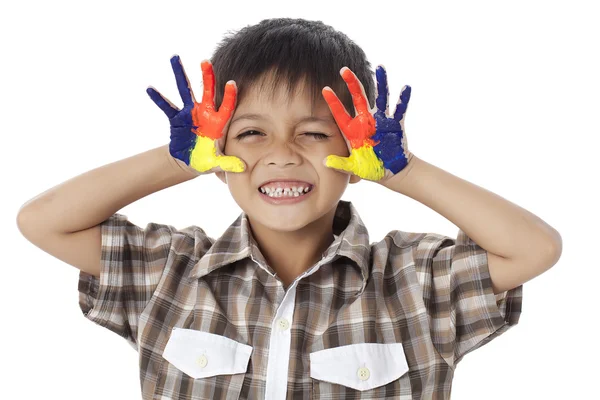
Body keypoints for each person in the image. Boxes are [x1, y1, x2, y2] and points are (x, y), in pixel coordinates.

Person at [16, 18, 561, 400]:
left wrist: (405, 170)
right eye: (251, 133)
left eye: (314, 133)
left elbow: (534, 247)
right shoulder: (167, 273)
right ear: (220, 148)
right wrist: (176, 161)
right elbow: (42, 220)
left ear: (355, 151)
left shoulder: (417, 284)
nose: (282, 155)